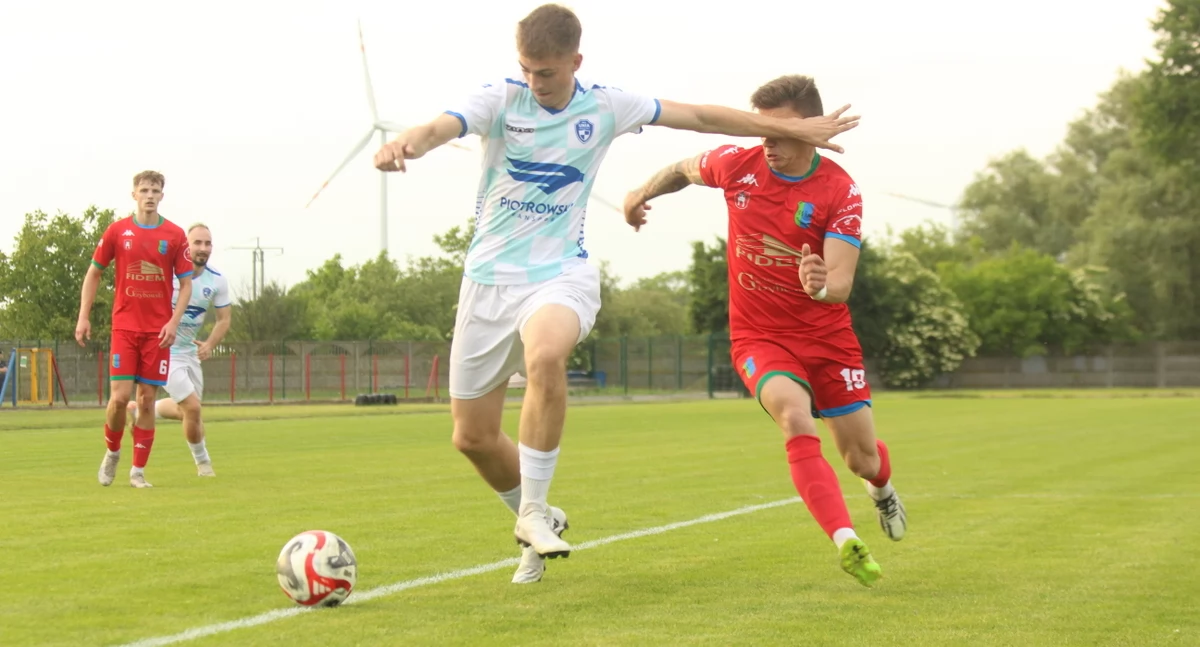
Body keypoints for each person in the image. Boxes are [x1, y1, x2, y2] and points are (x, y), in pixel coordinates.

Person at [372, 4, 860, 585]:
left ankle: (532, 512)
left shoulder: (605, 105)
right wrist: (407, 142)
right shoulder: (500, 99)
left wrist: (791, 128)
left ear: (575, 62)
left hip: (558, 273)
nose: (535, 82)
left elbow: (699, 115)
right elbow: (441, 127)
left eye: (546, 72)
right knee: (472, 437)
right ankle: (538, 516)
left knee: (547, 354)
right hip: (486, 282)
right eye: (527, 69)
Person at [621, 74, 906, 588]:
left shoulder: (839, 190)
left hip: (826, 339)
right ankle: (846, 540)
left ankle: (882, 490)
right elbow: (683, 169)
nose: (764, 141)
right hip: (759, 337)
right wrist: (640, 193)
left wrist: (821, 283)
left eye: (777, 132)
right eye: (759, 130)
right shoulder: (738, 165)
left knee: (861, 459)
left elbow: (840, 284)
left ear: (814, 131)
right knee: (794, 416)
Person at [77, 170, 193, 489]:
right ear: (134, 195)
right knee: (119, 398)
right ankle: (112, 451)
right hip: (125, 328)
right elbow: (93, 273)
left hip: (158, 332)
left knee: (146, 399)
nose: (150, 195)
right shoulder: (118, 231)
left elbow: (185, 285)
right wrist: (83, 316)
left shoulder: (174, 235)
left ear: (162, 196)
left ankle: (137, 471)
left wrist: (173, 322)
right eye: (144, 189)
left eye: (155, 190)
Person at [127, 223, 231, 477]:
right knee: (193, 408)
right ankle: (203, 463)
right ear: (186, 245)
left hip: (190, 354)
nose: (203, 248)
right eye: (197, 243)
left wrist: (209, 344)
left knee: (190, 412)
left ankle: (139, 411)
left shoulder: (217, 280)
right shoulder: (166, 274)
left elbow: (224, 319)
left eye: (207, 244)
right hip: (165, 351)